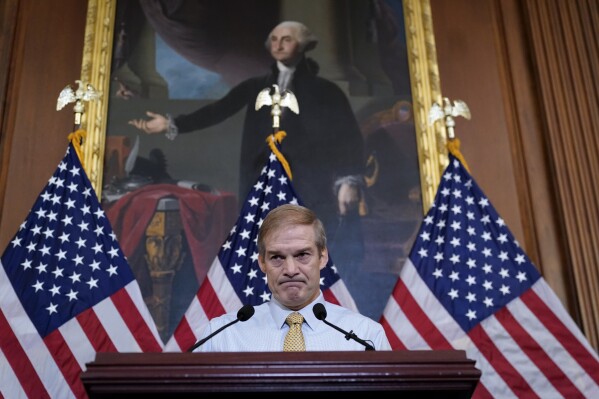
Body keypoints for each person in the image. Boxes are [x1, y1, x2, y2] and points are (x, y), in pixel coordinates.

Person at [128, 21, 366, 256]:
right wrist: (172, 123)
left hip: (311, 184)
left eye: (287, 39)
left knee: (307, 248)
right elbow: (217, 111)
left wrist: (348, 180)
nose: (279, 45)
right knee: (264, 248)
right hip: (263, 181)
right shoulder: (256, 87)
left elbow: (348, 138)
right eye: (274, 39)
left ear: (303, 45)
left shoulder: (327, 92)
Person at [191, 204, 391, 352]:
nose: (290, 269)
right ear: (262, 263)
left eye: (302, 255)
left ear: (322, 257)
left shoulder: (366, 338)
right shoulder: (221, 336)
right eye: (277, 257)